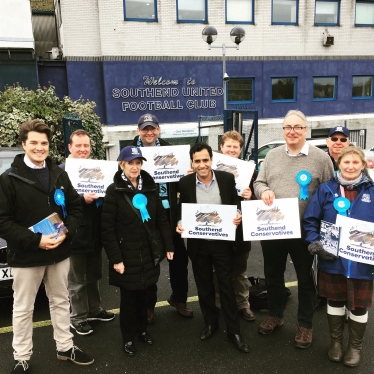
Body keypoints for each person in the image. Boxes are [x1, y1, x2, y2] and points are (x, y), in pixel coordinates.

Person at [0, 120, 94, 373]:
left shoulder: (59, 174)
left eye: (44, 143)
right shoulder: (8, 179)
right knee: (23, 308)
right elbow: (2, 222)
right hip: (26, 254)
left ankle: (65, 347)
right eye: (34, 143)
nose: (40, 148)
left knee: (61, 301)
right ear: (24, 144)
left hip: (60, 252)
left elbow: (74, 208)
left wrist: (68, 233)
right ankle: (21, 357)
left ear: (49, 146)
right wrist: (35, 240)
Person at [253, 110, 334, 348]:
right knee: (273, 276)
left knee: (305, 279)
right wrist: (262, 191)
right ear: (283, 130)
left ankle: (305, 325)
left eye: (298, 127)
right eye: (288, 127)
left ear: (305, 130)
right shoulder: (272, 156)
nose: (292, 131)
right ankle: (275, 315)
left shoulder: (321, 158)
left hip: (305, 231)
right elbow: (259, 181)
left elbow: (329, 193)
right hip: (274, 229)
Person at [303, 146, 374, 367]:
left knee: (359, 305)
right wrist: (315, 244)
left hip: (362, 261)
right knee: (334, 300)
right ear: (339, 164)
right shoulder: (326, 189)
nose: (350, 166)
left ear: (363, 165)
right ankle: (336, 342)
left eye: (355, 162)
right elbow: (310, 219)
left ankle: (355, 346)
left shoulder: (372, 191)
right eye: (346, 162)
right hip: (332, 258)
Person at [101, 146, 174, 357]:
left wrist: (168, 245)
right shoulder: (114, 191)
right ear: (121, 164)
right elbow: (107, 228)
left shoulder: (150, 188)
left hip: (148, 253)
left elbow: (161, 219)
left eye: (138, 163)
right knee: (129, 300)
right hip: (126, 255)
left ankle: (143, 330)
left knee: (145, 296)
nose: (134, 167)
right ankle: (128, 338)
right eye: (130, 163)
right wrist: (116, 258)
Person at [176, 143, 249, 353]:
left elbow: (235, 202)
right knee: (204, 287)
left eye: (205, 160)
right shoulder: (185, 183)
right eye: (197, 161)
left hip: (222, 244)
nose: (202, 165)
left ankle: (234, 330)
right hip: (199, 245)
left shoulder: (226, 179)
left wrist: (237, 214)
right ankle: (211, 323)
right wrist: (180, 223)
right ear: (192, 162)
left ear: (211, 160)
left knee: (226, 287)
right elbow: (182, 211)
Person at [131, 113, 193, 323]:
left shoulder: (171, 149)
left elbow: (183, 181)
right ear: (139, 131)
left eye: (153, 128)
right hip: (145, 213)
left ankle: (179, 299)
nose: (149, 132)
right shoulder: (131, 151)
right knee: (149, 260)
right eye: (145, 128)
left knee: (179, 258)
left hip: (171, 212)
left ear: (158, 129)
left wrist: (187, 174)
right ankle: (149, 306)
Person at [60, 130, 114, 336]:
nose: (83, 149)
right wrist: (82, 199)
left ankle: (94, 309)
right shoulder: (62, 172)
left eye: (86, 146)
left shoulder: (97, 168)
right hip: (74, 235)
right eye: (79, 146)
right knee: (76, 280)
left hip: (94, 233)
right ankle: (78, 317)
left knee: (94, 275)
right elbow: (58, 204)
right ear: (70, 147)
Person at [219, 130, 255, 321]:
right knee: (218, 270)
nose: (232, 150)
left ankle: (243, 305)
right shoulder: (210, 170)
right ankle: (219, 305)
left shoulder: (250, 172)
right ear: (221, 148)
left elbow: (260, 202)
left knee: (239, 270)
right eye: (228, 146)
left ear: (240, 150)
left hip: (241, 230)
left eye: (235, 147)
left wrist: (251, 197)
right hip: (217, 227)